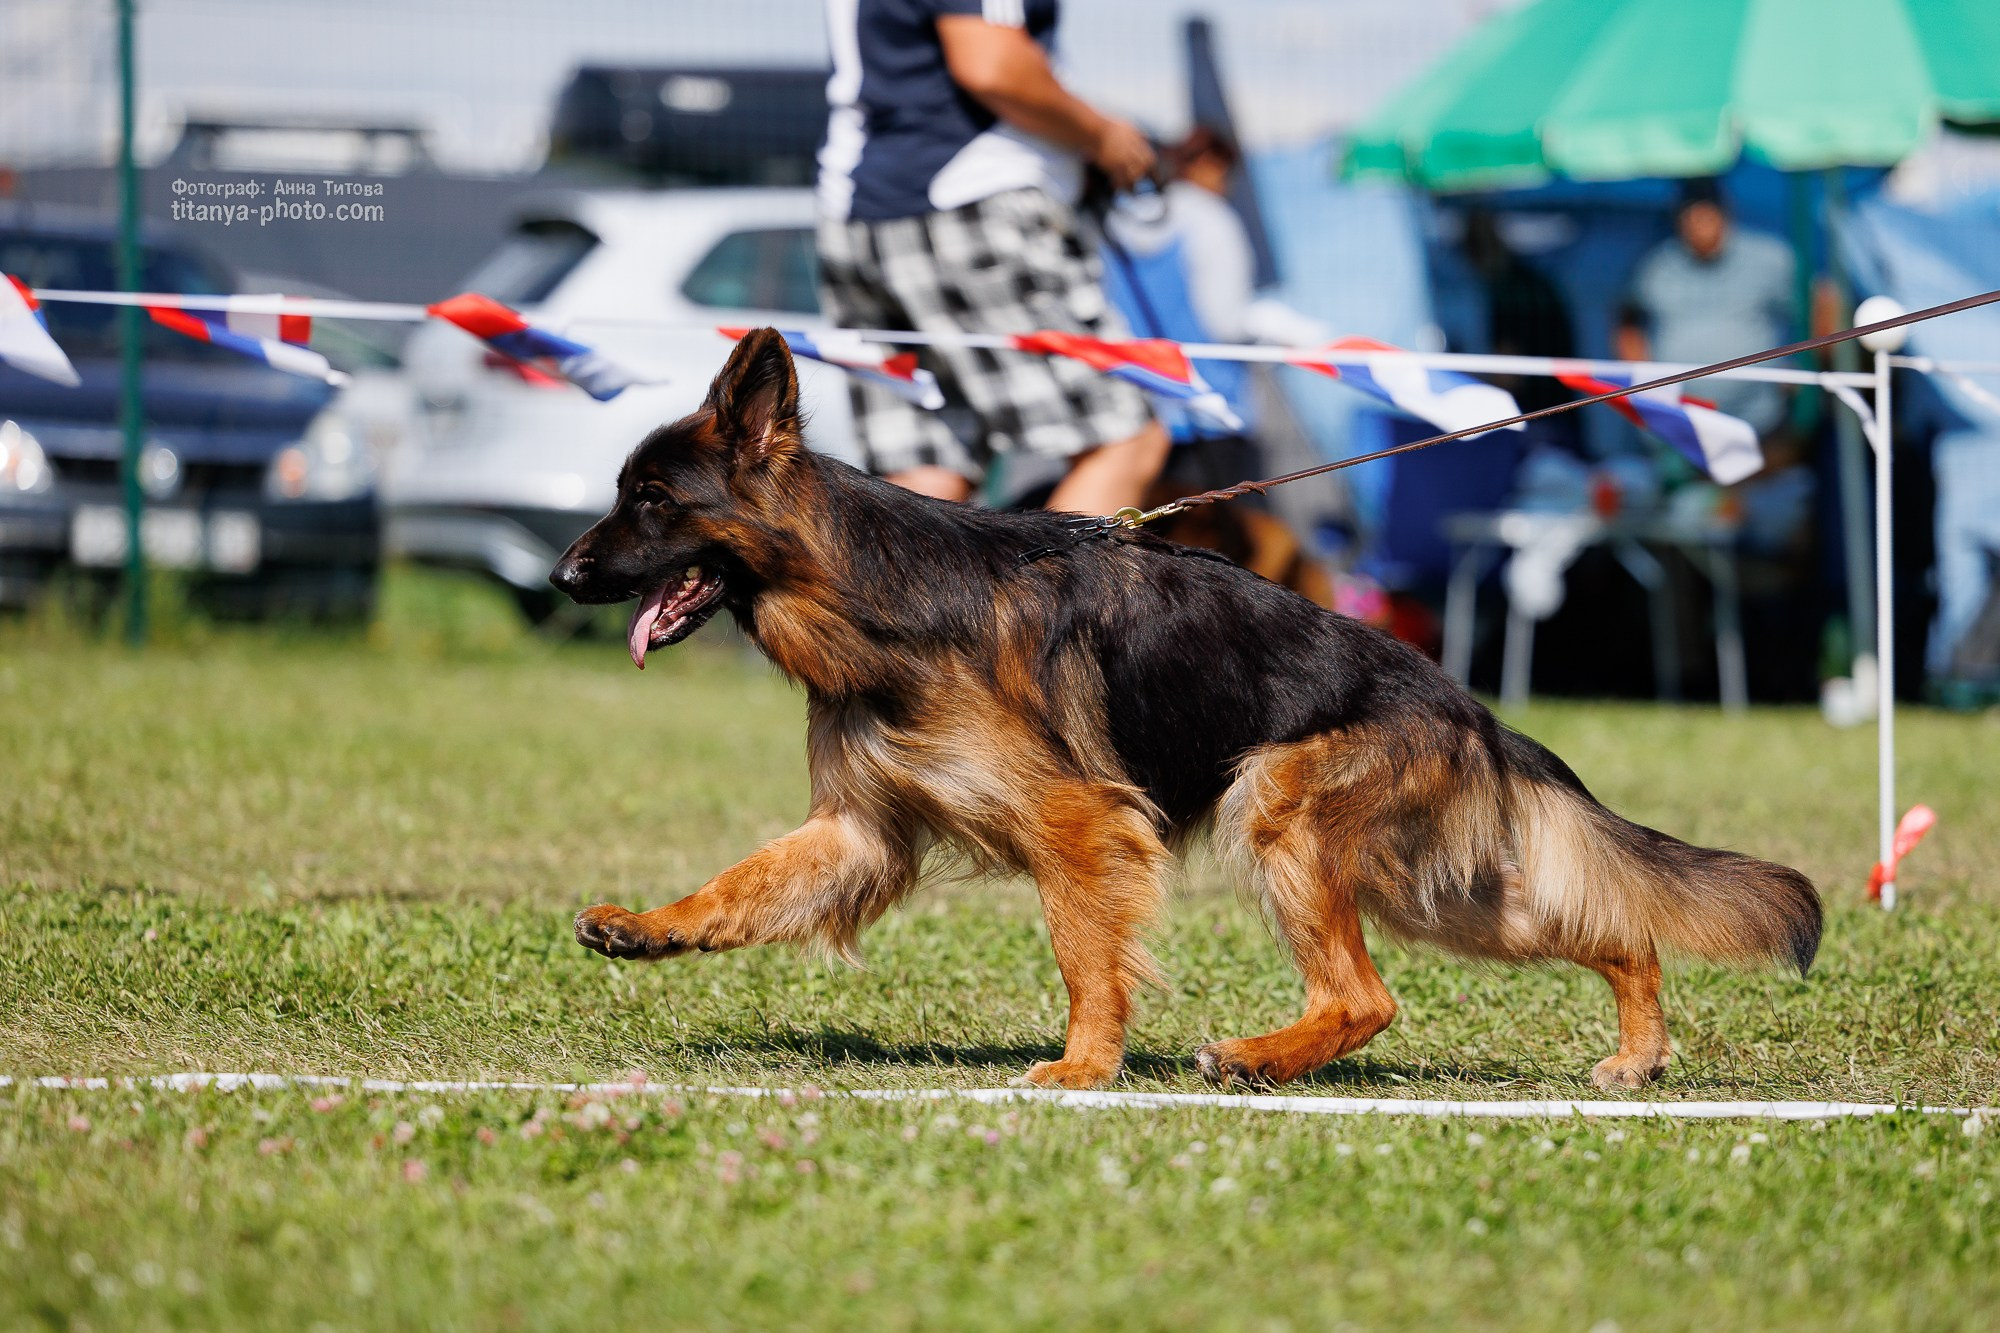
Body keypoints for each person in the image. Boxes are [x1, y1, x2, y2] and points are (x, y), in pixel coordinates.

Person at [815, 0, 1170, 514]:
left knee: (926, 472)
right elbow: (991, 64)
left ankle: (901, 598)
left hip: (854, 209)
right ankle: (1042, 599)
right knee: (1125, 443)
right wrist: (1103, 137)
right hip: (969, 202)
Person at [1616, 178, 1797, 438]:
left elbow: (1821, 303)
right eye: (1691, 219)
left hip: (1761, 423)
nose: (1700, 229)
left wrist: (1805, 377)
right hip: (1680, 425)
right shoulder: (1658, 265)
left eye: (1707, 217)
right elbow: (1628, 320)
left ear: (1726, 215)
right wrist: (1643, 386)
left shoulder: (1769, 257)